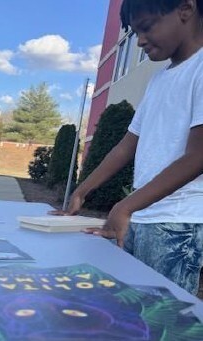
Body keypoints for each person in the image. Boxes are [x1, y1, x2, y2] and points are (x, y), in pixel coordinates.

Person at [54, 0, 203, 295]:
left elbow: (198, 155)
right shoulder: (159, 80)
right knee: (131, 310)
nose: (141, 41)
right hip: (142, 216)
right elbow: (127, 145)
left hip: (177, 224)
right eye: (135, 33)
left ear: (185, 9)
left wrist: (124, 206)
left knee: (161, 319)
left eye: (147, 27)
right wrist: (83, 190)